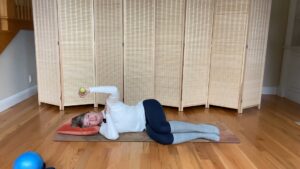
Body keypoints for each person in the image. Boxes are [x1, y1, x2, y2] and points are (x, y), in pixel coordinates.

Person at [72, 86, 220, 144]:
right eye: (88, 123)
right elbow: (114, 136)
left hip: (148, 107)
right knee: (164, 140)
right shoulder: (104, 127)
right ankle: (202, 135)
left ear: (90, 111)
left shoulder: (110, 103)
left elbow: (114, 89)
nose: (91, 120)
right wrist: (108, 116)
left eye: (88, 117)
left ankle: (203, 128)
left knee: (161, 127)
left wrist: (90, 90)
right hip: (145, 126)